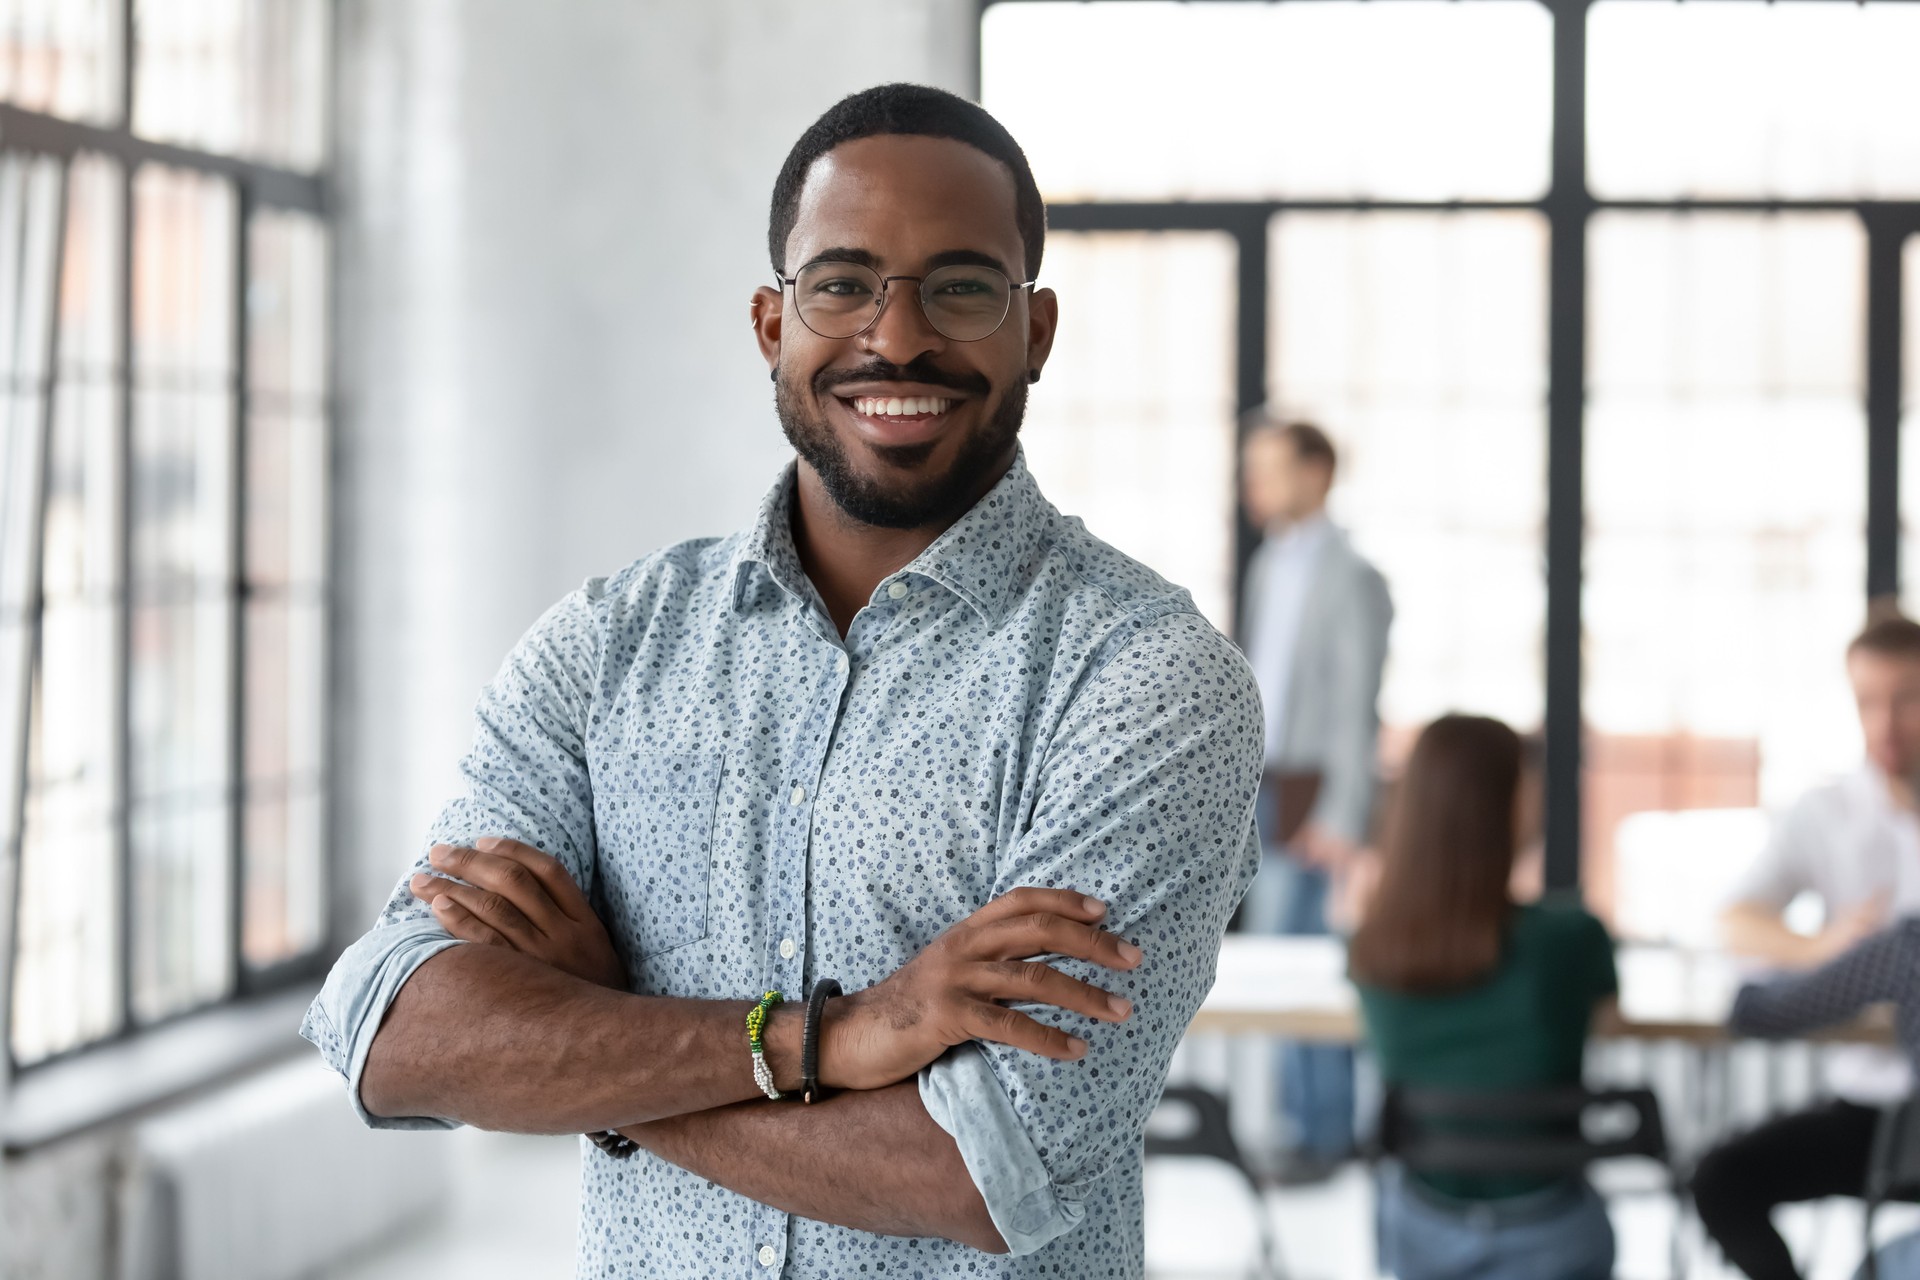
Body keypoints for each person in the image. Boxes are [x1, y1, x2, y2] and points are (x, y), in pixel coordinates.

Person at [300, 83, 1264, 1278]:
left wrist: (606, 1053)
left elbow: (986, 1167)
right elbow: (390, 1028)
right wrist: (834, 1037)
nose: (897, 338)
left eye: (961, 287)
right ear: (771, 324)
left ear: (1037, 330)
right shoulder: (608, 646)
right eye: (843, 283)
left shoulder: (1145, 679)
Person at [1350, 714, 1618, 1280]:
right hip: (1550, 1232)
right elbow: (1609, 1018)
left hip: (1423, 1232)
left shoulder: (1373, 950)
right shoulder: (1570, 940)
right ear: (1504, 806)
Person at [1696, 608, 1920, 1278]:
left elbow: (1754, 1011)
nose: (1886, 722)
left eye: (1907, 699)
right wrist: (1830, 951)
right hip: (1868, 1108)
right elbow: (1735, 918)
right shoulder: (1828, 813)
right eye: (1867, 702)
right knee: (1721, 1179)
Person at [1236, 414, 1392, 1177]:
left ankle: (1326, 1136)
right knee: (1271, 961)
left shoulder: (1353, 577)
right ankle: (1300, 1123)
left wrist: (1342, 815)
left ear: (1317, 473)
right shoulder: (1270, 566)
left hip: (1316, 790)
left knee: (1310, 965)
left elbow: (1356, 705)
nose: (1253, 486)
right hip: (1264, 785)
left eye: (1268, 469)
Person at [1708, 917, 1920, 1279]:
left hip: (1889, 1141)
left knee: (1722, 1181)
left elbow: (1760, 1013)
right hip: (1897, 1142)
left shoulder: (1909, 945)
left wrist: (1819, 949)